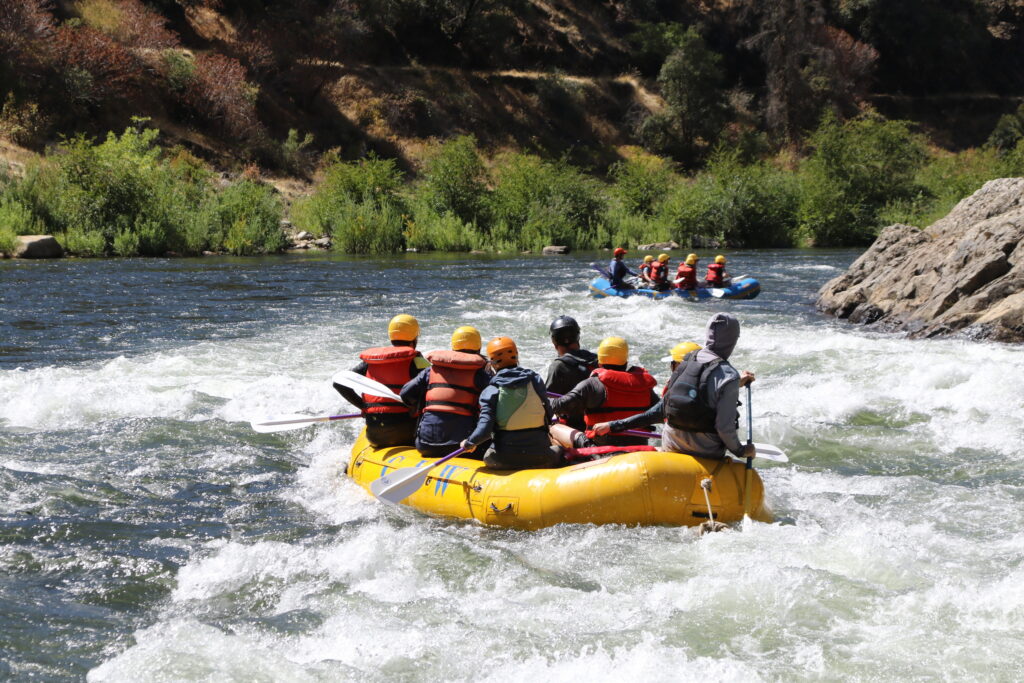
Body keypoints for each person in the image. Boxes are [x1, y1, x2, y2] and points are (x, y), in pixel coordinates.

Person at [592, 314, 755, 460]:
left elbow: (661, 409)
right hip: (705, 452)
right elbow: (724, 428)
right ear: (733, 339)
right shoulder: (728, 375)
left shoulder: (687, 361)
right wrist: (741, 451)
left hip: (671, 445)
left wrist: (613, 425)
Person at [460, 337, 563, 470]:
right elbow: (549, 414)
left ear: (492, 363)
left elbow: (485, 430)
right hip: (541, 456)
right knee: (559, 449)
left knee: (487, 457)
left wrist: (469, 443)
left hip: (503, 459)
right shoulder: (535, 380)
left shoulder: (490, 390)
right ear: (516, 356)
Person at [335, 314, 430, 448]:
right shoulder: (418, 361)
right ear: (415, 338)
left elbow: (339, 383)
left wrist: (363, 406)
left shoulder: (371, 362)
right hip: (407, 433)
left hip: (374, 435)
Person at [549, 336, 658, 449]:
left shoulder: (591, 385)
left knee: (554, 427)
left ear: (599, 363)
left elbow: (558, 406)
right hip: (639, 448)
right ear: (626, 362)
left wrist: (545, 399)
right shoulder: (644, 386)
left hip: (601, 451)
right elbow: (662, 413)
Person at [400, 326, 492, 458]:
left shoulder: (431, 370)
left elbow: (405, 394)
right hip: (462, 448)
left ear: (453, 348)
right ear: (478, 348)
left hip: (425, 444)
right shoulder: (481, 374)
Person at [545, 315, 598, 430]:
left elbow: (547, 404)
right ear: (578, 338)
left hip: (574, 428)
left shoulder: (558, 366)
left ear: (554, 343)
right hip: (601, 425)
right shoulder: (596, 360)